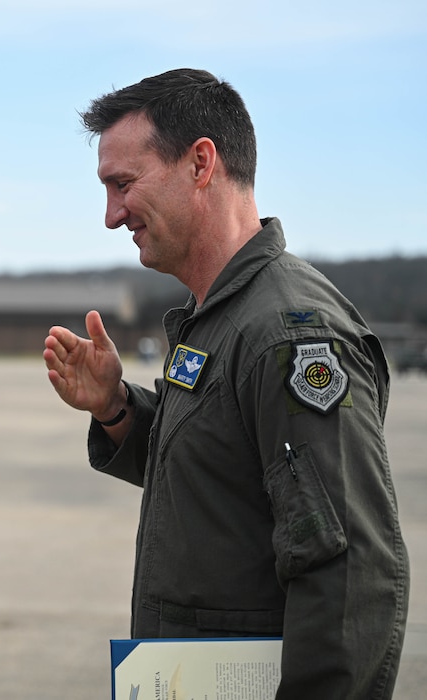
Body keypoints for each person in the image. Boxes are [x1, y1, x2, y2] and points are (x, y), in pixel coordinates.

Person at [43, 68, 407, 698]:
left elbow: (350, 575)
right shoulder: (222, 317)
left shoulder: (288, 335)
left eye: (123, 184)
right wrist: (115, 408)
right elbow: (226, 469)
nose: (111, 215)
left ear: (201, 163)